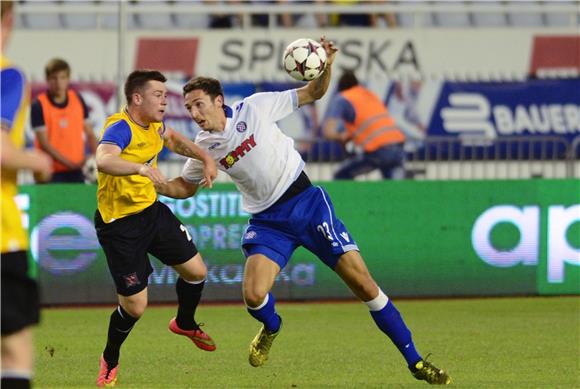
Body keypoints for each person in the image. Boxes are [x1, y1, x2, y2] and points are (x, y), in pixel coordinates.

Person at [155, 37, 452, 385]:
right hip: (268, 223)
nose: (194, 114)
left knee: (365, 285)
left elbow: (313, 93)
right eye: (189, 108)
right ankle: (272, 326)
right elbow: (184, 188)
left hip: (307, 205)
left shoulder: (257, 107)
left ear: (218, 101)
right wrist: (153, 182)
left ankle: (415, 361)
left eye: (199, 105)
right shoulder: (204, 147)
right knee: (252, 295)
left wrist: (326, 65)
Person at [93, 69, 218, 387]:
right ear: (137, 98)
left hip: (151, 213)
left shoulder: (154, 125)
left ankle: (185, 323)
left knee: (197, 271)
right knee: (135, 307)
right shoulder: (120, 127)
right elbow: (104, 160)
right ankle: (110, 358)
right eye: (158, 95)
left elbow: (173, 140)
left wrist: (204, 156)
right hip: (119, 227)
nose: (165, 101)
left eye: (165, 95)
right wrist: (140, 168)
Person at [1, 2, 53, 389]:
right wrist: (35, 160)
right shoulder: (8, 74)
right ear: (9, 20)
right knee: (14, 348)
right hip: (1, 236)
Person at [322, 70, 406, 180]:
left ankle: (350, 197)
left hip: (379, 150)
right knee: (395, 189)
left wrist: (341, 137)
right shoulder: (369, 94)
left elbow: (328, 131)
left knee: (341, 175)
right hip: (399, 147)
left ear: (340, 88)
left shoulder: (343, 98)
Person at [30, 58, 98, 183]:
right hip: (50, 172)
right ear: (47, 80)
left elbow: (90, 133)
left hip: (77, 170)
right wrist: (70, 164)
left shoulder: (77, 99)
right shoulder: (39, 104)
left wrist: (98, 157)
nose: (58, 82)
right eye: (54, 78)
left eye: (62, 77)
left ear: (68, 79)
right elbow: (44, 144)